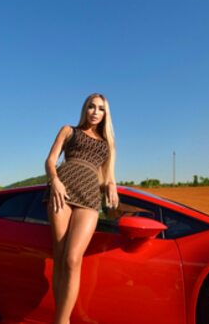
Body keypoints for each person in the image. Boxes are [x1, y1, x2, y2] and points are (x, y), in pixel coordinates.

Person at [44, 93, 119, 324]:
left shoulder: (107, 144)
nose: (95, 112)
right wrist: (55, 181)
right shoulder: (69, 130)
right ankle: (61, 319)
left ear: (105, 114)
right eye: (91, 107)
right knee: (59, 257)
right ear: (85, 109)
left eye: (101, 109)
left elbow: (107, 176)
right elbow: (50, 160)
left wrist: (112, 185)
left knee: (72, 259)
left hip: (89, 196)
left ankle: (61, 320)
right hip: (62, 192)